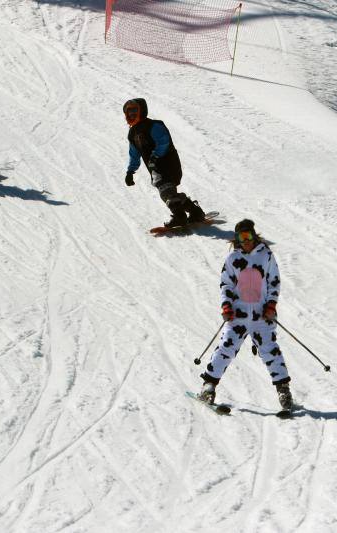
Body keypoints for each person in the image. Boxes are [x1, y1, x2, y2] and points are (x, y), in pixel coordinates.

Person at [198, 219, 293, 410]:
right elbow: (226, 284)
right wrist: (226, 306)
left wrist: (271, 305)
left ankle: (284, 391)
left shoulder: (265, 256)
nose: (246, 240)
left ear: (254, 235)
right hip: (238, 316)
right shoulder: (232, 259)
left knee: (270, 351)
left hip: (261, 316)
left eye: (249, 235)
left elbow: (274, 282)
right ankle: (208, 387)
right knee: (226, 348)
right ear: (237, 239)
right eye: (242, 237)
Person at [123, 98, 206, 227]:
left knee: (166, 192)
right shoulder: (132, 133)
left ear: (142, 110)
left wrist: (156, 156)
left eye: (134, 110)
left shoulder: (153, 125)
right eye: (128, 112)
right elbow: (134, 154)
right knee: (169, 193)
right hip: (156, 168)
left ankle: (180, 216)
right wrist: (130, 171)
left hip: (168, 164)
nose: (131, 114)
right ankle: (195, 212)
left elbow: (164, 142)